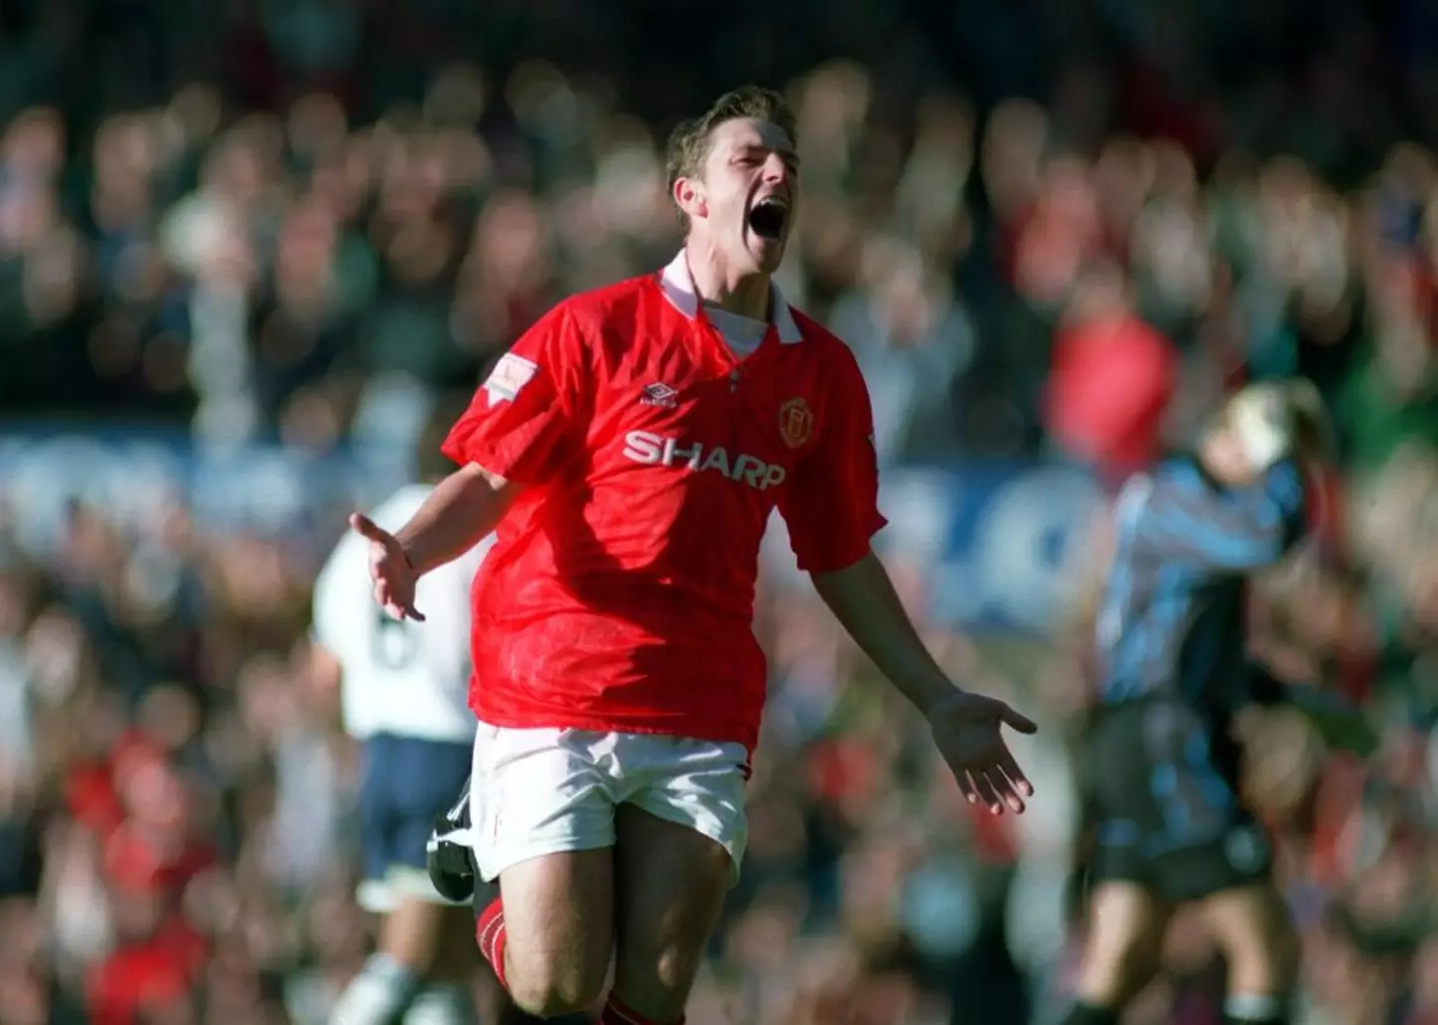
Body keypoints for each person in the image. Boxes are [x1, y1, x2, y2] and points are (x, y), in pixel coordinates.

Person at [350, 84, 1038, 1025]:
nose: (776, 171)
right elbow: (491, 475)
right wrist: (414, 550)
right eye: (748, 157)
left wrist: (938, 697)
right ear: (691, 195)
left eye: (786, 158)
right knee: (557, 986)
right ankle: (485, 835)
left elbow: (840, 558)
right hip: (554, 684)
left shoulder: (822, 374)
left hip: (701, 703)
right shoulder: (595, 329)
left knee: (656, 988)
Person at [1063, 380, 1360, 1025]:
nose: (1289, 472)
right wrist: (1276, 455)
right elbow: (1266, 538)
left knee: (1122, 959)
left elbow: (1210, 662)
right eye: (1284, 451)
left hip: (1138, 738)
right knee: (1266, 947)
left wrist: (1306, 704)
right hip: (1163, 739)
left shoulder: (1174, 510)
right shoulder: (1176, 496)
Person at [312, 456, 496, 1025]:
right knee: (407, 958)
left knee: (445, 967)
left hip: (380, 753)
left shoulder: (361, 539)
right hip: (446, 752)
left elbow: (324, 663)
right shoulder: (476, 533)